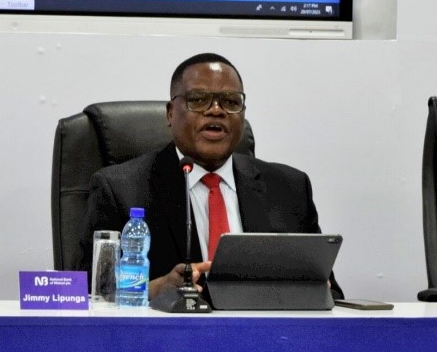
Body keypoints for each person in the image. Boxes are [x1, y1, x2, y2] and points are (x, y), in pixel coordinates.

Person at [78, 53, 339, 306]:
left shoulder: (289, 189)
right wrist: (154, 290)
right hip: (167, 343)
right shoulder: (119, 189)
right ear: (170, 113)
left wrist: (312, 290)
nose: (216, 110)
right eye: (199, 100)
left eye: (231, 102)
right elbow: (90, 295)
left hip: (265, 342)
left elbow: (332, 294)